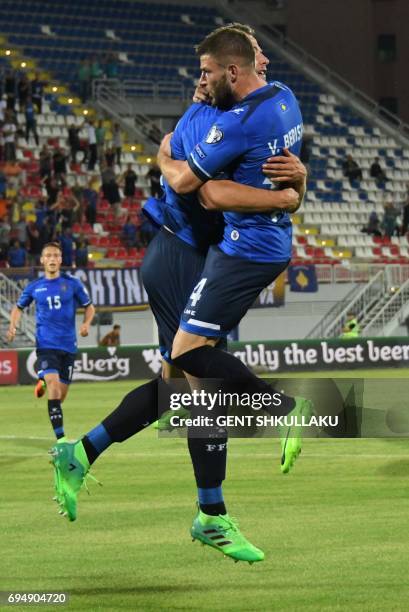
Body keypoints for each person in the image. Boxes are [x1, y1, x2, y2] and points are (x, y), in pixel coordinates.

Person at [48, 25, 307, 563]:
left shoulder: (253, 106)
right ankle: (214, 510)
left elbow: (189, 158)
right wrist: (283, 195)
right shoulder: (210, 117)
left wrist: (297, 183)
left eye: (206, 71)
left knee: (178, 388)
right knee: (199, 388)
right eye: (204, 71)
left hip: (190, 253)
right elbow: (188, 177)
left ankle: (81, 452)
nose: (200, 78)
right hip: (178, 256)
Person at [6, 242, 95, 440]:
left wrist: (86, 324)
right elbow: (18, 308)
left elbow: (89, 307)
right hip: (46, 345)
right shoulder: (35, 287)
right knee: (54, 389)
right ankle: (61, 440)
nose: (52, 259)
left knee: (60, 396)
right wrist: (13, 326)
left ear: (61, 259)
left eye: (56, 255)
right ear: (42, 260)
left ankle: (42, 379)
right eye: (49, 255)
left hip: (69, 346)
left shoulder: (72, 284)